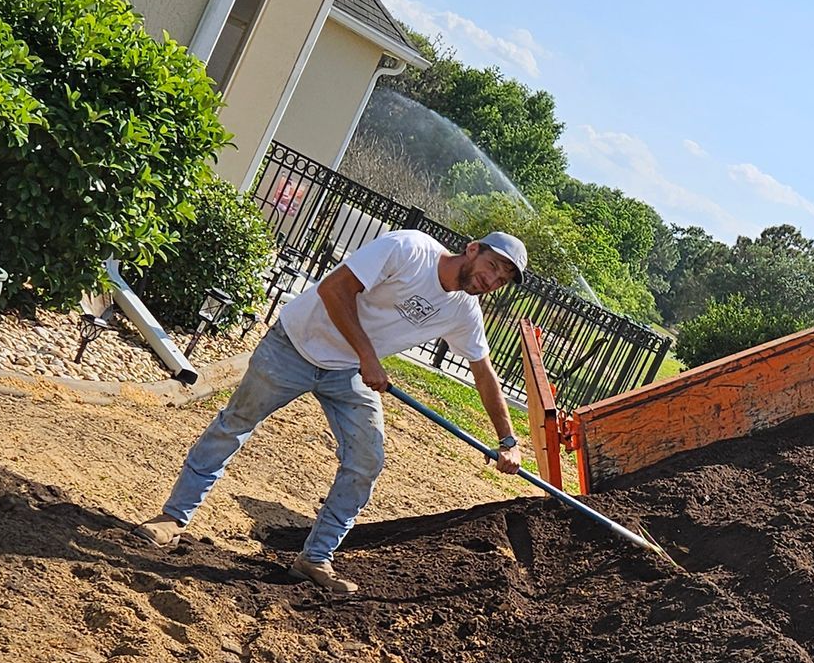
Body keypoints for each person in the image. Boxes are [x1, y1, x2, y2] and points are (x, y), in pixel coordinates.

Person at [137, 229, 530, 595]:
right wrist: (367, 356)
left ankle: (315, 557)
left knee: (367, 460)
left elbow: (484, 373)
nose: (492, 280)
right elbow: (334, 288)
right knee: (235, 424)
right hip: (294, 346)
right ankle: (172, 518)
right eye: (493, 266)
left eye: (502, 279)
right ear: (474, 249)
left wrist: (507, 440)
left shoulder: (464, 312)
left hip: (348, 374)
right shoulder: (409, 249)